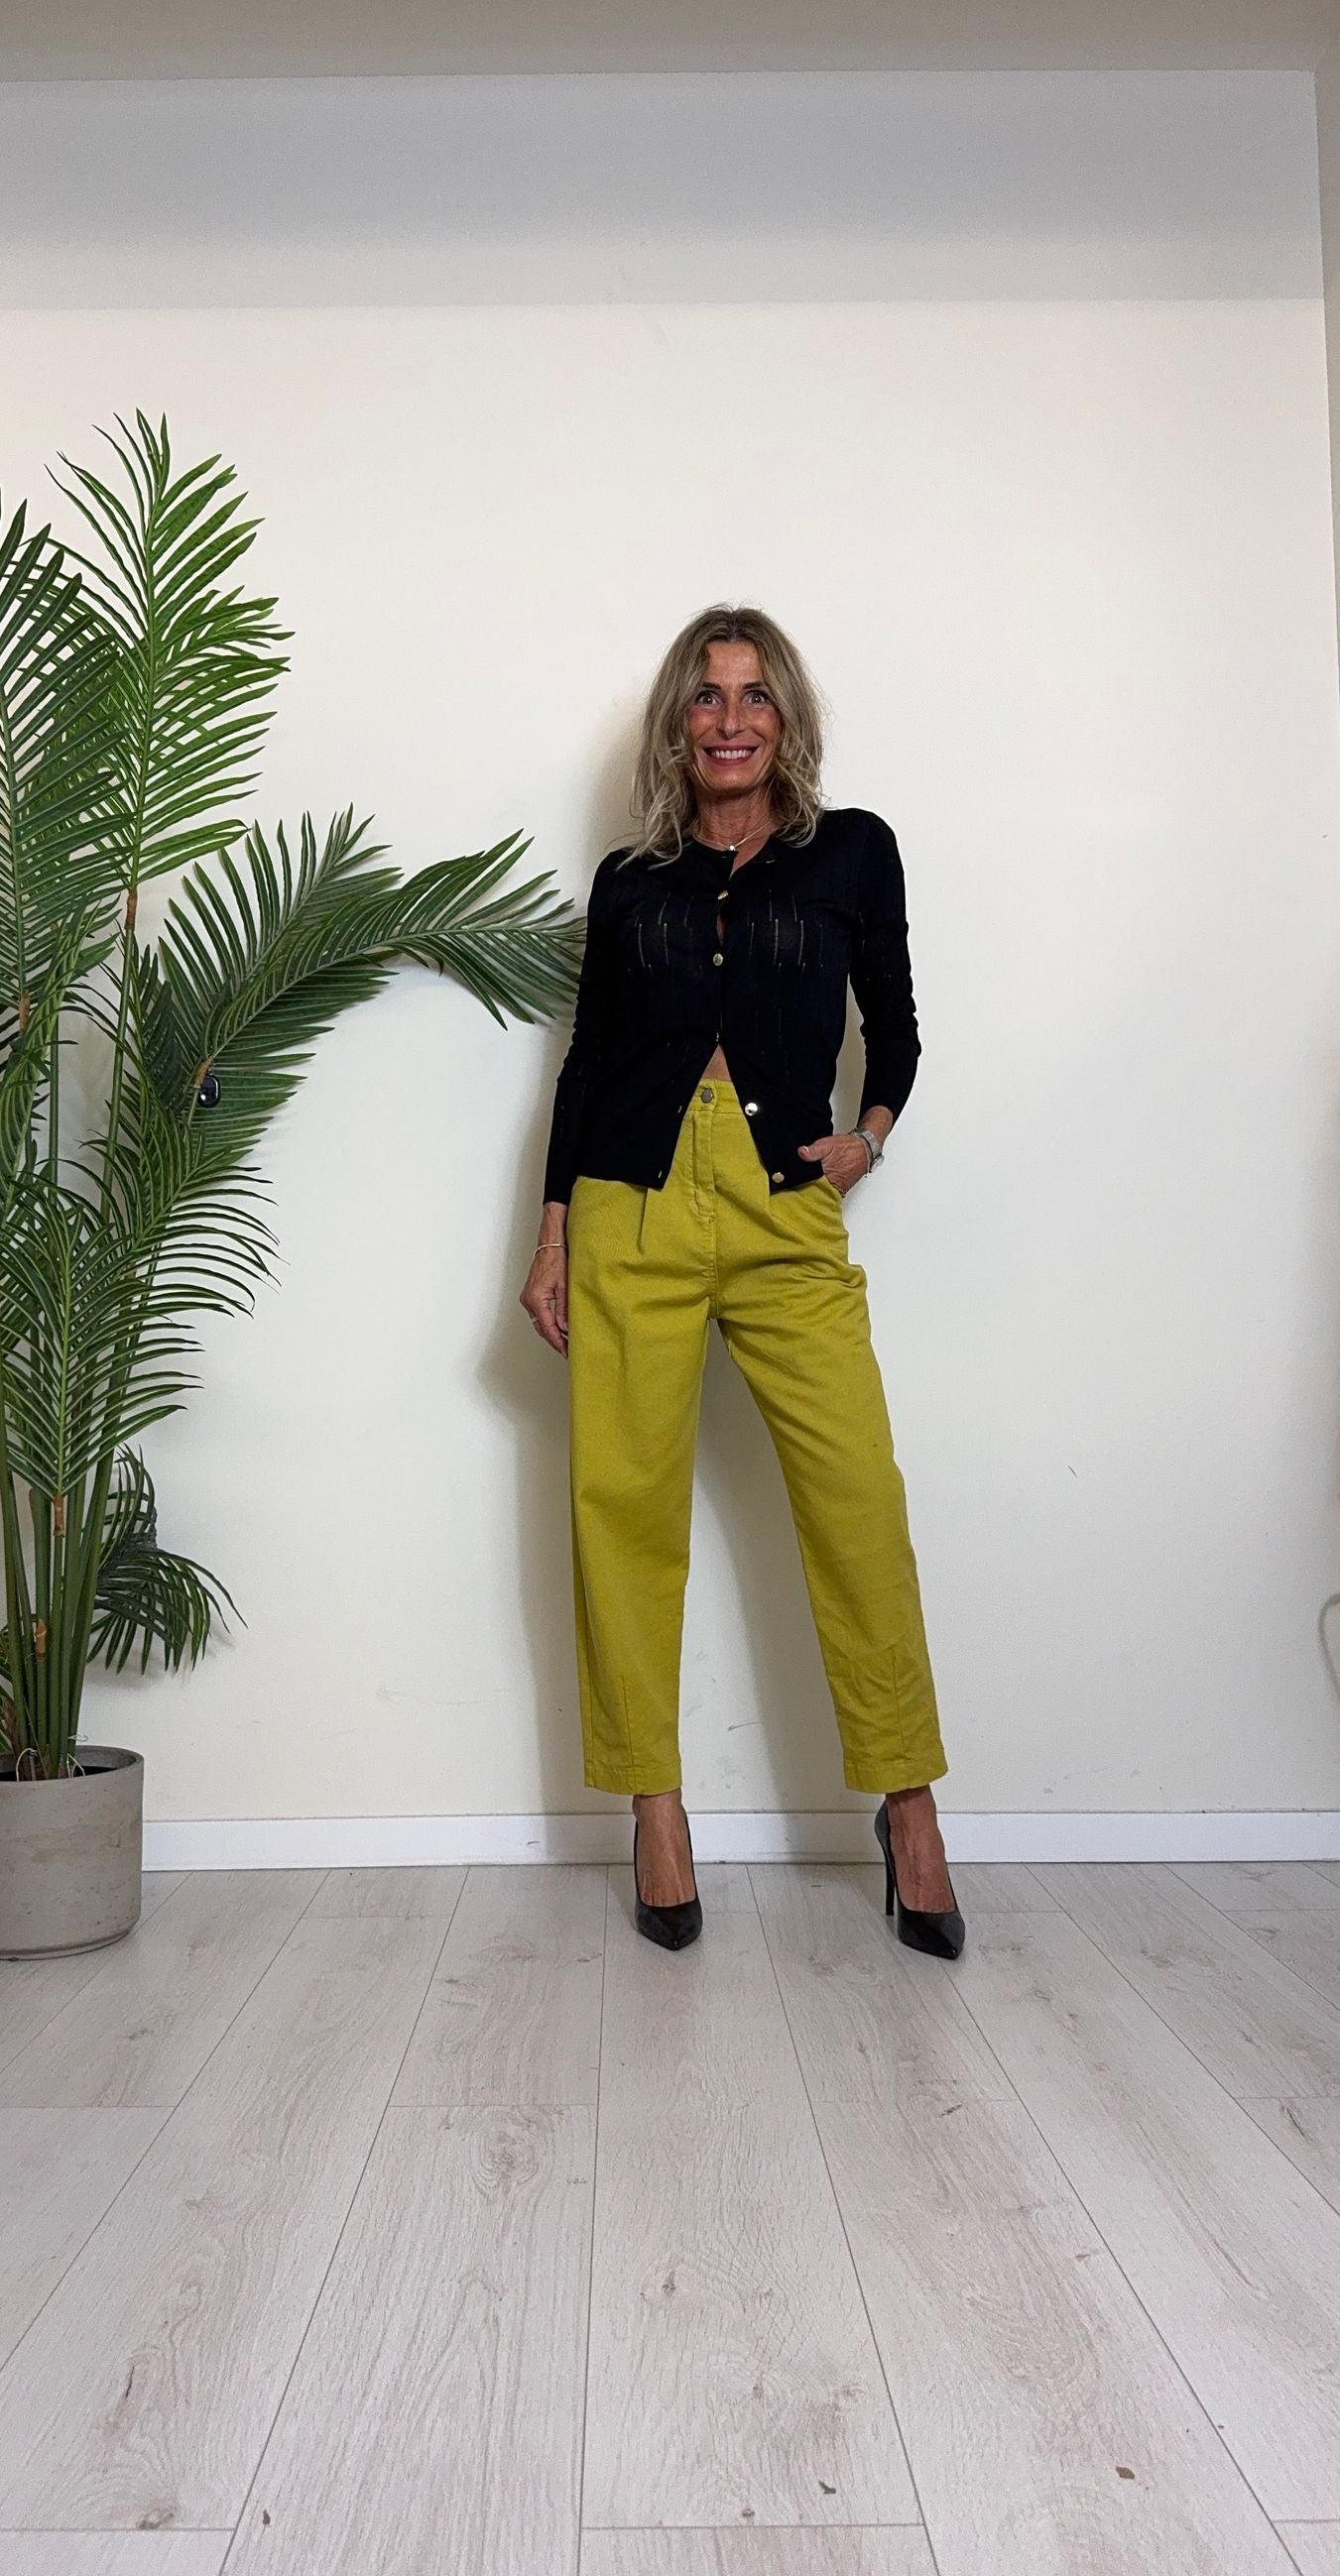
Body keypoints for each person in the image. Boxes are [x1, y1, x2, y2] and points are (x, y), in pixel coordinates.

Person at [521, 604, 962, 1961]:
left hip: (783, 1202)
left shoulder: (852, 851)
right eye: (707, 696)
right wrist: (553, 1232)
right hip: (632, 1201)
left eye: (754, 694)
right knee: (623, 1506)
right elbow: (589, 1060)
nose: (729, 719)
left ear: (786, 719)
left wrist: (866, 1138)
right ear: (678, 723)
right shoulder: (630, 880)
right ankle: (655, 1809)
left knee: (857, 1499)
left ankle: (909, 1808)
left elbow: (896, 1026)